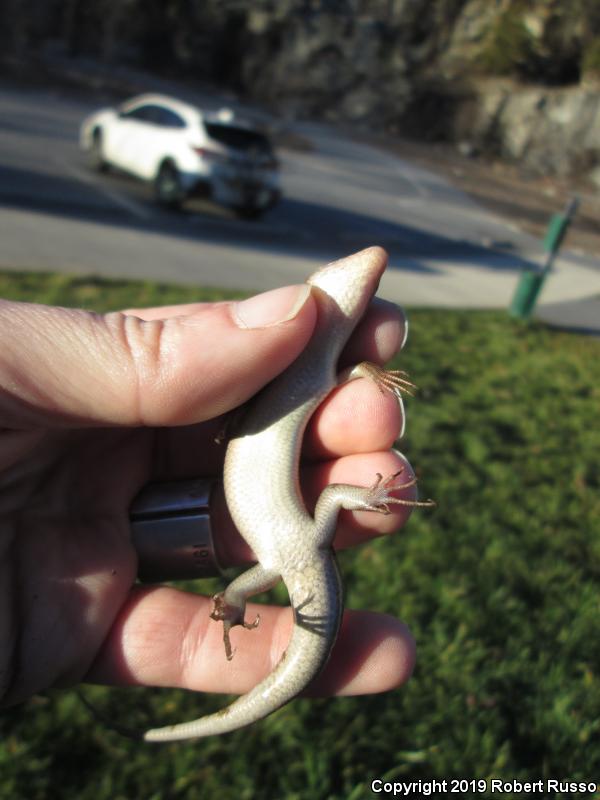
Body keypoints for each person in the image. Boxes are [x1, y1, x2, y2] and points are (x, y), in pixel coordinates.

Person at [0, 279, 417, 712]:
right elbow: (331, 488)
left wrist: (233, 603)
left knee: (320, 512)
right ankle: (369, 500)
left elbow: (341, 396)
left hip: (279, 547)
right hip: (291, 538)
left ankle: (364, 503)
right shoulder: (283, 556)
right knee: (331, 500)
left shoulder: (271, 566)